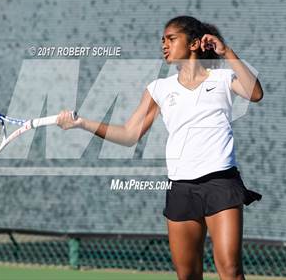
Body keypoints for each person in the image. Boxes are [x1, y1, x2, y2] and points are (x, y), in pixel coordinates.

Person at [56, 15, 263, 280]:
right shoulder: (159, 89)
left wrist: (227, 51)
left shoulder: (223, 78)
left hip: (221, 183)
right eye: (162, 40)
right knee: (187, 276)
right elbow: (130, 135)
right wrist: (82, 123)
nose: (164, 45)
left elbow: (255, 94)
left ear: (194, 44)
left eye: (171, 38)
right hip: (181, 189)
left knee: (231, 271)